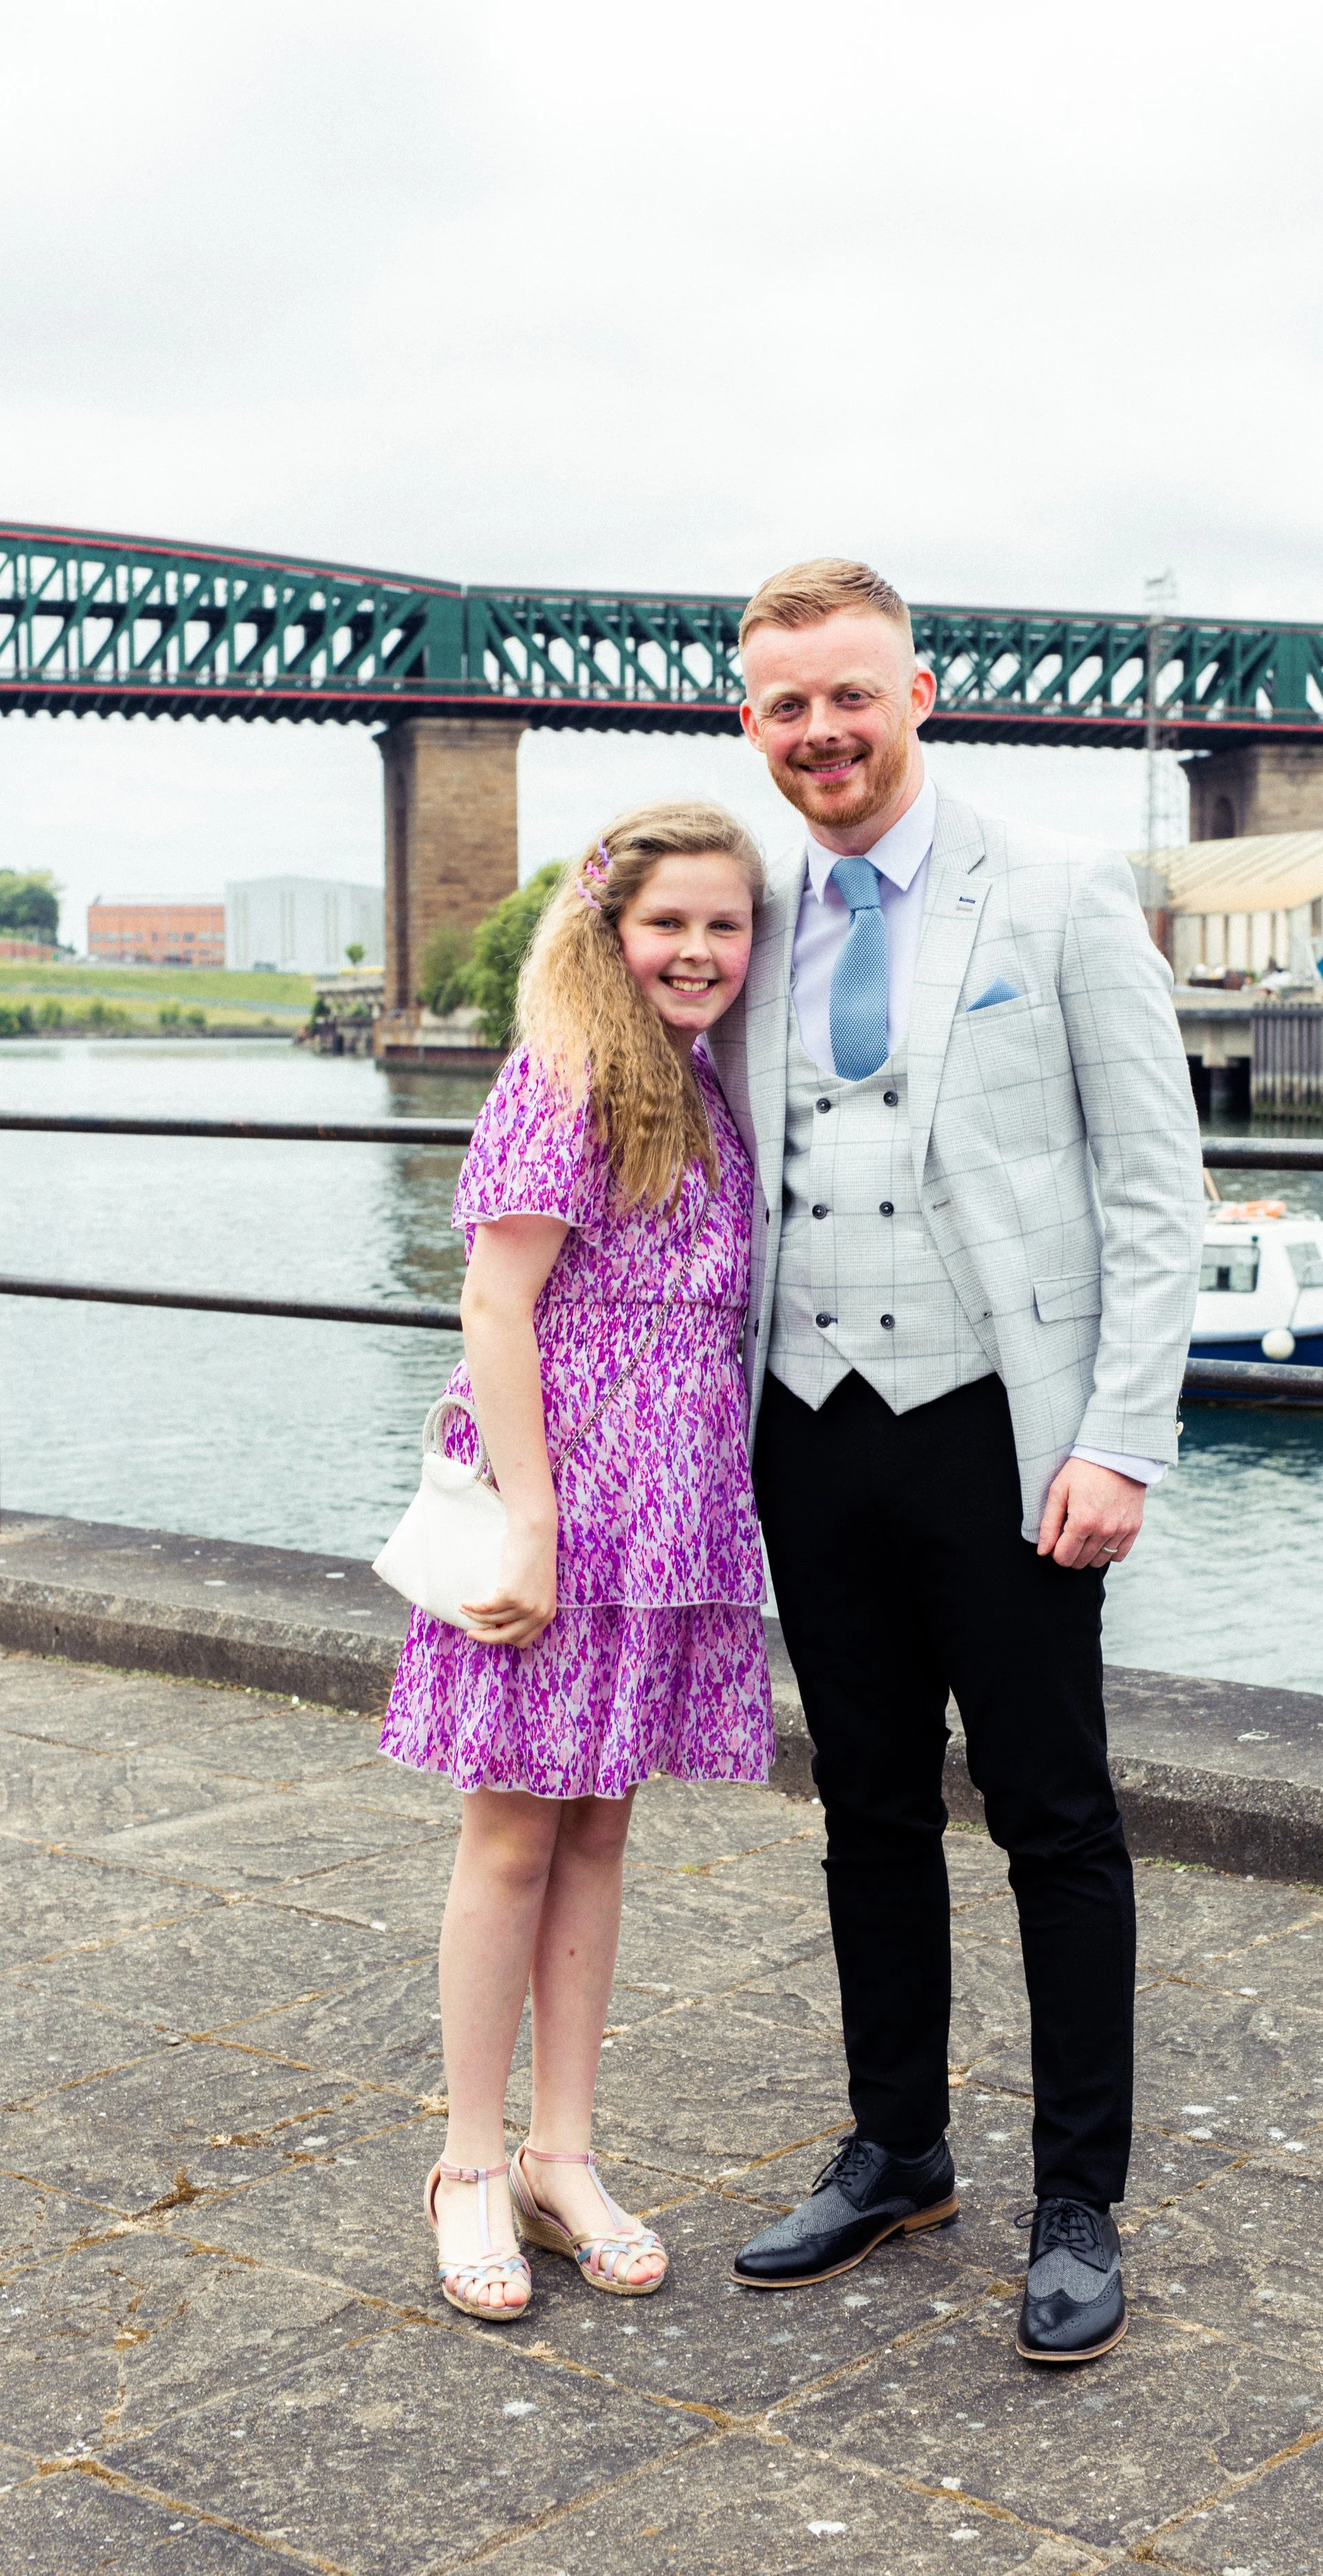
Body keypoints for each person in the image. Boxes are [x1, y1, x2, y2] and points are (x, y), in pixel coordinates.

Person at [709, 561, 1203, 2364]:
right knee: (863, 1804)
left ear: (919, 687)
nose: (822, 732)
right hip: (804, 1423)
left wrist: (1121, 1438)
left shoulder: (1061, 892)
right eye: (785, 705)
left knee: (1054, 1813)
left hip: (1003, 1424)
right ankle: (896, 2142)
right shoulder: (738, 910)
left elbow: (1156, 1191)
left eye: (850, 693)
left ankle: (1077, 2193)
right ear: (746, 718)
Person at [381, 800, 773, 2322]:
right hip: (572, 1503)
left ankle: (563, 2152)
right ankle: (469, 2162)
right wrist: (536, 1519)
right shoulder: (567, 1073)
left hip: (671, 1516)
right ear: (610, 932)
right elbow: (494, 1310)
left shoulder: (697, 1083)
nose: (694, 950)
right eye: (666, 922)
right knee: (507, 1838)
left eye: (722, 924)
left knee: (599, 1836)